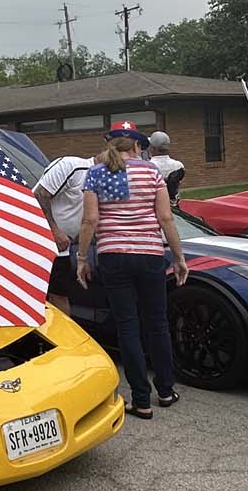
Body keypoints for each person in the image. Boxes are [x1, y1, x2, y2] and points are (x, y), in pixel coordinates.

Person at [76, 121, 189, 421]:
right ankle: (165, 390)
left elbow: (90, 221)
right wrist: (178, 258)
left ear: (110, 143)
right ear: (139, 145)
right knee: (157, 323)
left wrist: (81, 258)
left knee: (127, 326)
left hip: (113, 257)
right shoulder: (151, 172)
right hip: (150, 254)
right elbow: (166, 218)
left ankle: (141, 400)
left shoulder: (96, 173)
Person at [33, 153, 95, 316]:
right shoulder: (73, 166)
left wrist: (84, 254)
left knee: (59, 294)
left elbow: (89, 219)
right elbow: (39, 194)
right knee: (54, 296)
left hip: (63, 248)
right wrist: (54, 230)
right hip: (40, 241)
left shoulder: (105, 178)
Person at [147, 131, 187, 205]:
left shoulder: (147, 167)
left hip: (155, 206)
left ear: (152, 148)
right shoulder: (179, 165)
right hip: (175, 206)